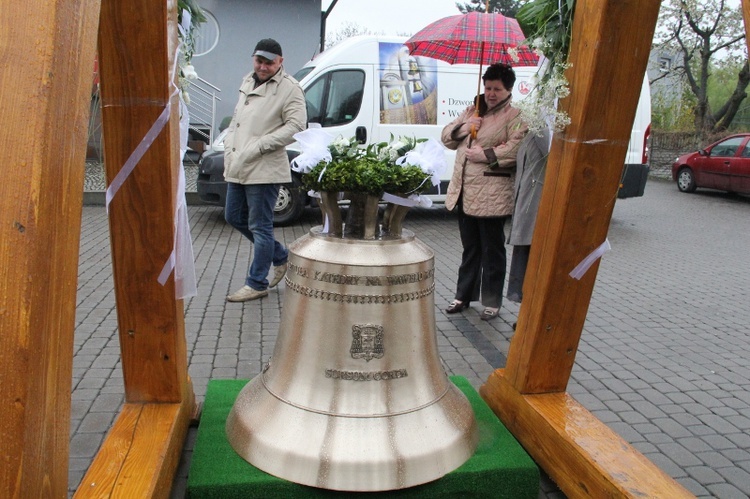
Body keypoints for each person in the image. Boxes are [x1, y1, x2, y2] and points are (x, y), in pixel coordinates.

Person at [441, 63, 527, 321]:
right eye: (488, 87)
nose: (491, 93)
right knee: (470, 249)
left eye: (497, 89)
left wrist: (485, 154)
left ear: (508, 90)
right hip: (465, 192)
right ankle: (463, 295)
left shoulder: (515, 116)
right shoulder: (472, 110)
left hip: (493, 194)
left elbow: (516, 148)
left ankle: (492, 301)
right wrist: (466, 127)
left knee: (492, 250)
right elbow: (447, 137)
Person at [224, 38, 307, 302]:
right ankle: (281, 256)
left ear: (280, 62)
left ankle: (257, 283)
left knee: (260, 226)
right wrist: (229, 146)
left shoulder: (290, 89)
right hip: (239, 163)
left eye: (269, 62)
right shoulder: (248, 80)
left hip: (265, 167)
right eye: (259, 61)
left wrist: (260, 145)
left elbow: (296, 126)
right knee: (233, 216)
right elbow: (238, 121)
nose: (263, 67)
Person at [506, 126, 551, 304]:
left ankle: (532, 312)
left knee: (533, 259)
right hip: (527, 207)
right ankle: (528, 313)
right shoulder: (532, 129)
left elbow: (551, 152)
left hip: (537, 209)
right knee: (526, 258)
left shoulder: (543, 127)